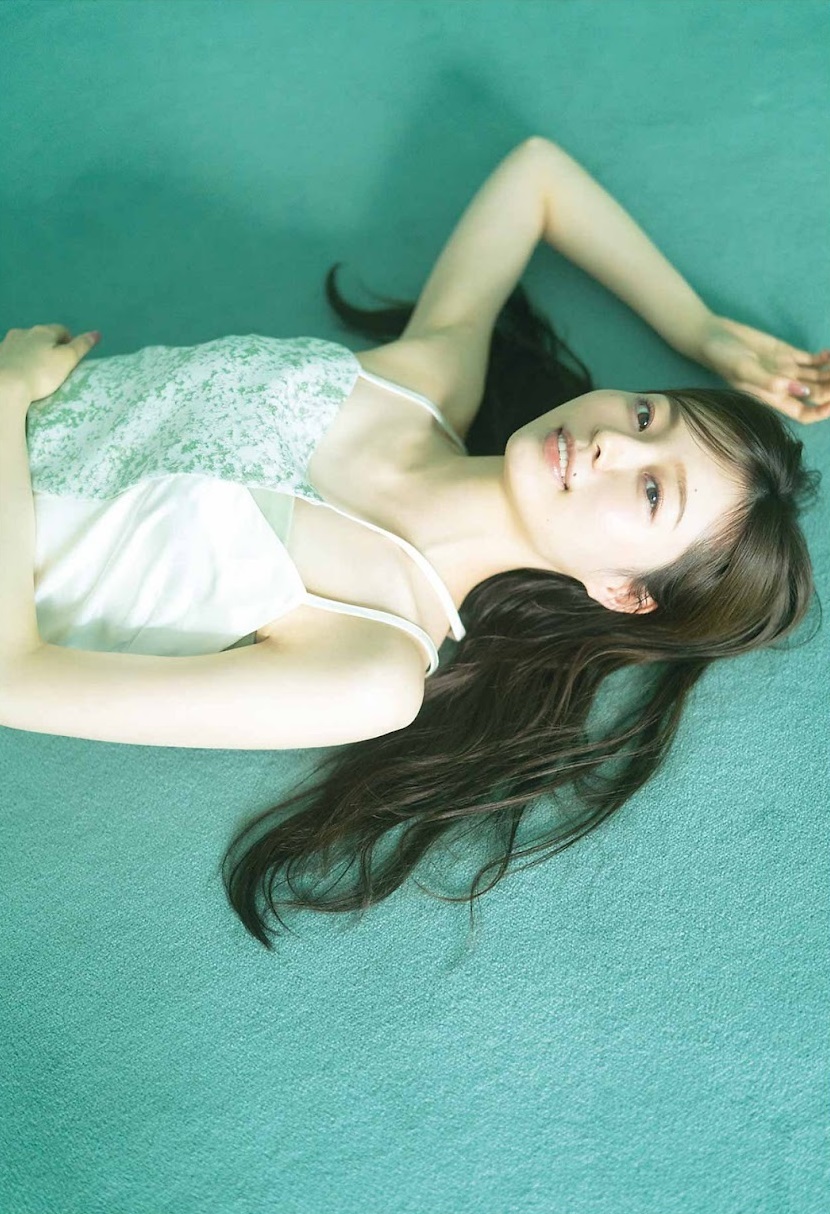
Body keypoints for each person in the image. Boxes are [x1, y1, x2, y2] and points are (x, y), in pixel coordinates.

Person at [1, 137, 826, 948]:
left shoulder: (373, 667)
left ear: (624, 590)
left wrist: (9, 395)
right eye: (647, 414)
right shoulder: (427, 376)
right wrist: (701, 331)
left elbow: (13, 678)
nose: (615, 442)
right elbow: (537, 175)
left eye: (652, 492)